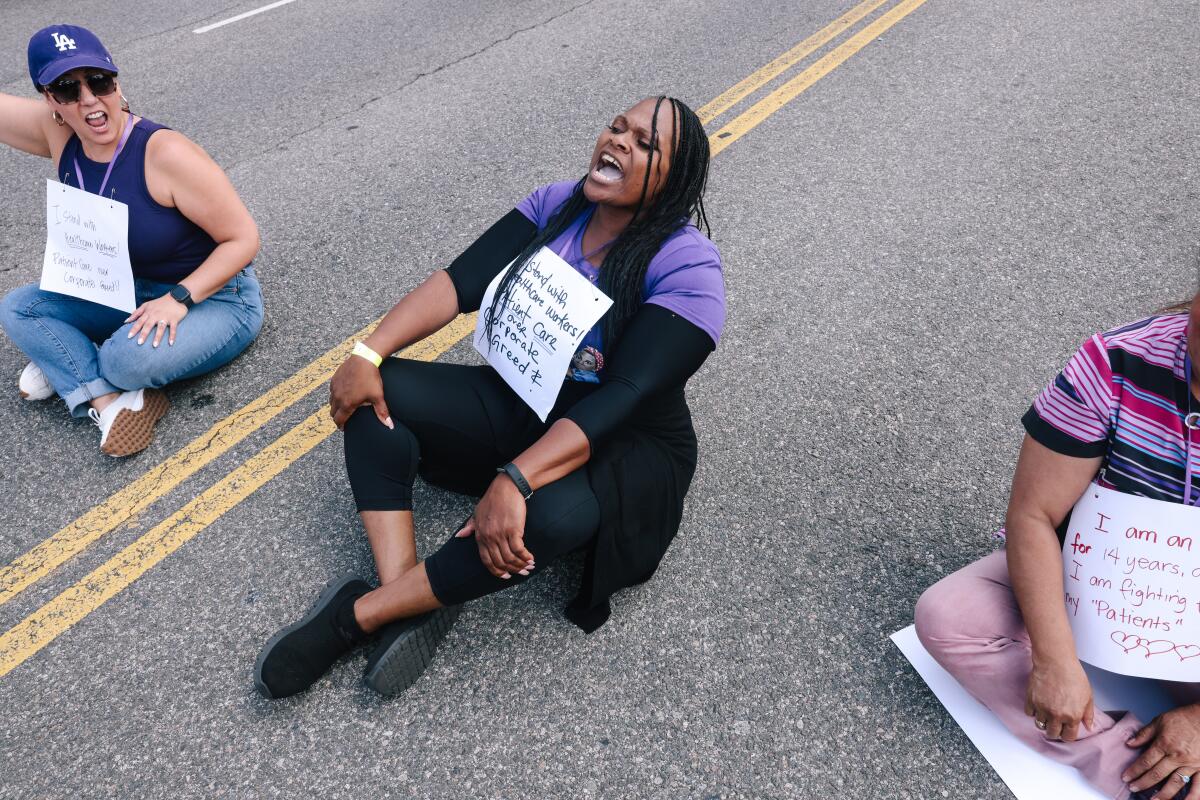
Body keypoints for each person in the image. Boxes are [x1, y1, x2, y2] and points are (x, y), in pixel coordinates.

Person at [254, 96, 724, 699]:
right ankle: (408, 594)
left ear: (673, 179)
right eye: (616, 127)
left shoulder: (689, 266)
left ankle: (357, 617)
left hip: (622, 445)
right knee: (381, 396)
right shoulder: (557, 204)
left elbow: (627, 395)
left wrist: (516, 479)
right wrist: (366, 354)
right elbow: (458, 282)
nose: (618, 141)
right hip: (527, 401)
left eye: (644, 143)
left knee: (544, 520)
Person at [915, 302, 1200, 799]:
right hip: (1091, 588)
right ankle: (1143, 774)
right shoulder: (1114, 362)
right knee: (950, 616)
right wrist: (1054, 660)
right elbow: (1034, 514)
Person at [0, 24, 263, 456]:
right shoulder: (57, 131)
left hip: (215, 297)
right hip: (125, 287)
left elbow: (243, 239)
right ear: (50, 100)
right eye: (67, 88)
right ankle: (107, 401)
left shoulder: (164, 153)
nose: (88, 99)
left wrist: (178, 298)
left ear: (115, 81)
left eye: (98, 81)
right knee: (19, 307)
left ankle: (74, 361)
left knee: (124, 361)